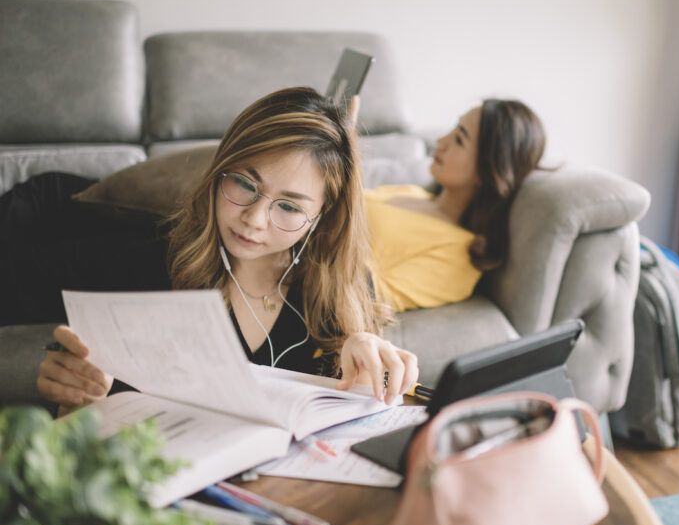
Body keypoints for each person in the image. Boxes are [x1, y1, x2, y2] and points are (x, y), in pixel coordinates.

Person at [21, 87, 418, 413]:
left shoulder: (342, 283)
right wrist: (75, 393)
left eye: (290, 206)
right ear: (219, 170)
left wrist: (370, 363)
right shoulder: (144, 258)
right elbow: (80, 412)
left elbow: (348, 417)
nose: (255, 219)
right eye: (245, 185)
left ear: (323, 216)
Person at [364, 98, 546, 312]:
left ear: (487, 169)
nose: (441, 141)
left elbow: (366, 300)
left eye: (459, 139)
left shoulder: (459, 256)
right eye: (452, 130)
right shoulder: (412, 192)